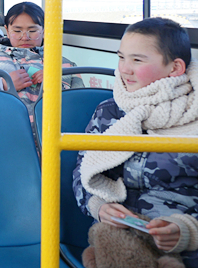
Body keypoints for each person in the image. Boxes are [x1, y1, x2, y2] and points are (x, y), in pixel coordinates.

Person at [73, 18, 198, 267]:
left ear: (175, 67)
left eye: (137, 60)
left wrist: (186, 231)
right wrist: (98, 206)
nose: (124, 69)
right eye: (121, 58)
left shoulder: (193, 116)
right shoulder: (109, 112)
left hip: (185, 242)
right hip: (119, 239)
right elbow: (82, 170)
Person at [0, 1, 80, 121]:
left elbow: (81, 104)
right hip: (4, 129)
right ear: (7, 31)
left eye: (32, 31)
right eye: (17, 31)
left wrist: (56, 84)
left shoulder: (65, 65)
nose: (25, 37)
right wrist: (4, 85)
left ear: (44, 31)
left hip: (53, 131)